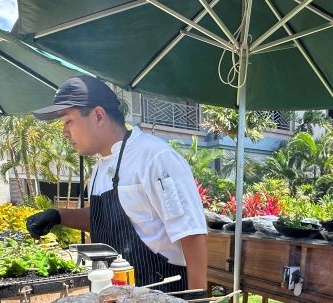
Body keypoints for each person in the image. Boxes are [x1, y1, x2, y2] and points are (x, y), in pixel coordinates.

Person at [25, 76, 207, 291]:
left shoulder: (154, 157)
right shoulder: (100, 165)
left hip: (161, 291)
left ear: (98, 116)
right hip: (115, 293)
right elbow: (105, 219)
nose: (64, 132)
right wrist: (58, 215)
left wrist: (197, 301)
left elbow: (191, 233)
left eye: (68, 121)